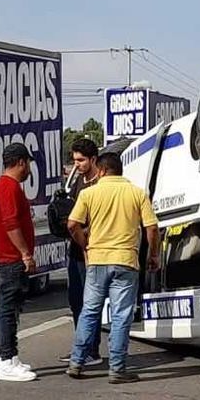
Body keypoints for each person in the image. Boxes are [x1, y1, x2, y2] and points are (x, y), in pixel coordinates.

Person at [65, 153, 160, 384]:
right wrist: (153, 255)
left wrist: (85, 244)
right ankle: (117, 369)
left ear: (102, 170)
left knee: (89, 311)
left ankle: (77, 362)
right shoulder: (137, 193)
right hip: (126, 261)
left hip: (97, 260)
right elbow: (152, 228)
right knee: (121, 316)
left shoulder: (89, 193)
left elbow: (72, 224)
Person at [0, 143, 39, 383]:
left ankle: (4, 356)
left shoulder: (2, 186)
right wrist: (25, 254)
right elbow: (10, 224)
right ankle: (8, 358)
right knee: (9, 309)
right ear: (21, 162)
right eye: (28, 163)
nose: (28, 168)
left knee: (6, 307)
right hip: (11, 258)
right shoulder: (9, 188)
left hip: (6, 256)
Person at [60, 138, 103, 365]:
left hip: (93, 250)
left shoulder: (99, 183)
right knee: (75, 299)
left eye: (81, 160)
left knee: (91, 302)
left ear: (93, 159)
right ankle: (81, 345)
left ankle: (91, 349)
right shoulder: (77, 181)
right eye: (74, 160)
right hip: (75, 249)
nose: (76, 164)